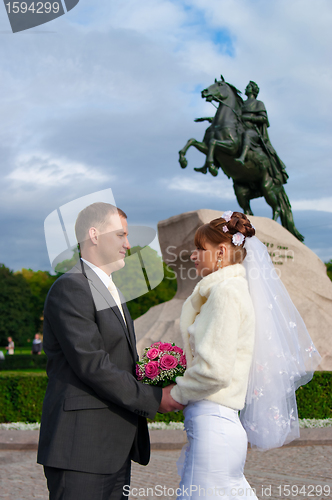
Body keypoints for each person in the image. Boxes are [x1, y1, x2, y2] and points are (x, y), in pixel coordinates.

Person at [37, 202, 183, 500]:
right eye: (120, 235)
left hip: (113, 448)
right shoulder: (71, 287)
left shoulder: (110, 289)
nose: (128, 245)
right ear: (93, 234)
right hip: (81, 449)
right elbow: (93, 365)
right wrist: (155, 398)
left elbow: (119, 360)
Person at [170, 211, 320, 499]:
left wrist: (175, 394)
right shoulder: (230, 289)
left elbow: (214, 370)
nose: (193, 256)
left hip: (214, 423)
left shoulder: (225, 293)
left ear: (222, 252)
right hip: (219, 425)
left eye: (201, 249)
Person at [235, 81, 288, 186]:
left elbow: (263, 118)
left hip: (253, 132)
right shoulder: (241, 104)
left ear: (253, 90)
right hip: (240, 129)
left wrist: (247, 117)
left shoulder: (259, 103)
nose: (246, 88)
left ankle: (242, 157)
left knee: (248, 135)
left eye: (249, 87)